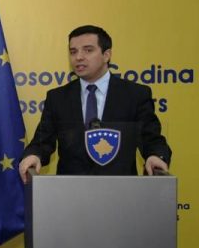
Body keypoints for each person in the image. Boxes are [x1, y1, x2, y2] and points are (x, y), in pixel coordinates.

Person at [19, 25, 171, 182]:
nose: (78, 57)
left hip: (121, 189)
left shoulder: (135, 95)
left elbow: (151, 138)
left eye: (88, 50)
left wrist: (155, 156)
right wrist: (33, 155)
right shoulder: (57, 98)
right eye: (73, 52)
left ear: (106, 55)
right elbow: (42, 141)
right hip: (71, 190)